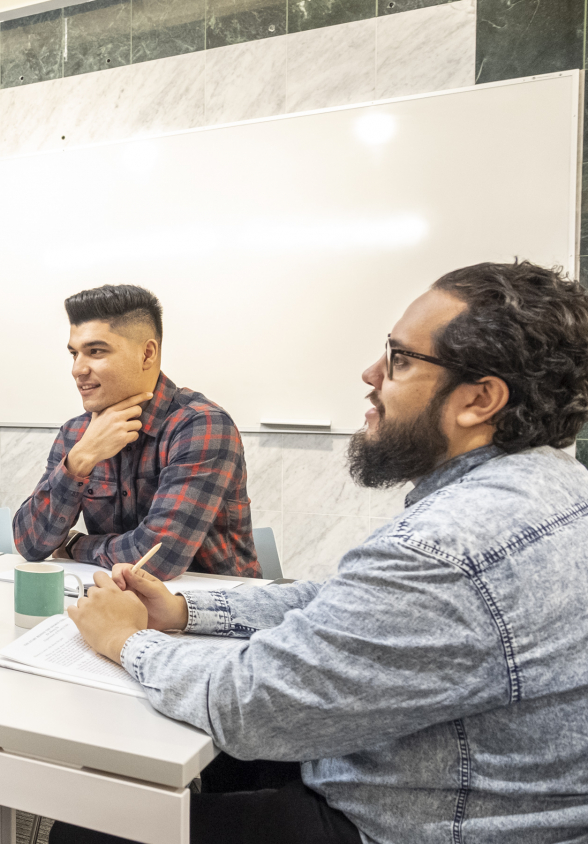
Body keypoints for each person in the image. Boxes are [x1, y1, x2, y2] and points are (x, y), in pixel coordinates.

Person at [59, 261, 588, 844]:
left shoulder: (447, 546)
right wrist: (186, 614)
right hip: (439, 771)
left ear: (480, 399)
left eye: (400, 359)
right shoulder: (550, 483)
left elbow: (248, 704)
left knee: (86, 829)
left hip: (413, 817)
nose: (370, 373)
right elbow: (347, 602)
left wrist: (125, 640)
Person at [13, 284, 257, 579]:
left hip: (209, 611)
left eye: (96, 351)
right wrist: (79, 460)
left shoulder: (201, 425)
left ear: (147, 354)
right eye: (74, 353)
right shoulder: (77, 432)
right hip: (117, 601)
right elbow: (30, 544)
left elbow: (157, 559)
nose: (78, 369)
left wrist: (77, 544)